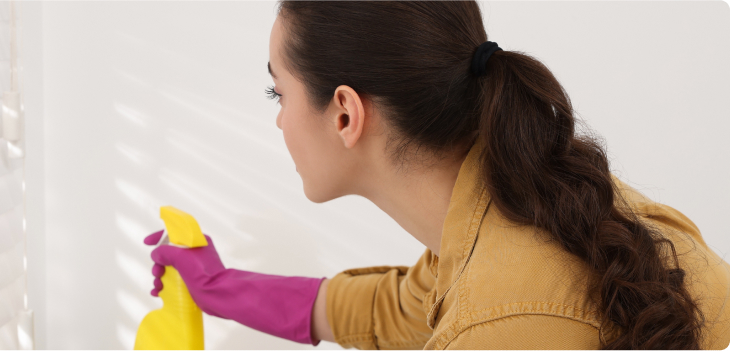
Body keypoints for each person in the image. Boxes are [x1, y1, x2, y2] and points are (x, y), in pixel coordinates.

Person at [143, 1, 730, 349]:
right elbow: (390, 309)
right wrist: (219, 288)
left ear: (345, 113)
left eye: (279, 92)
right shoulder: (525, 196)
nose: (278, 120)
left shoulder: (496, 323)